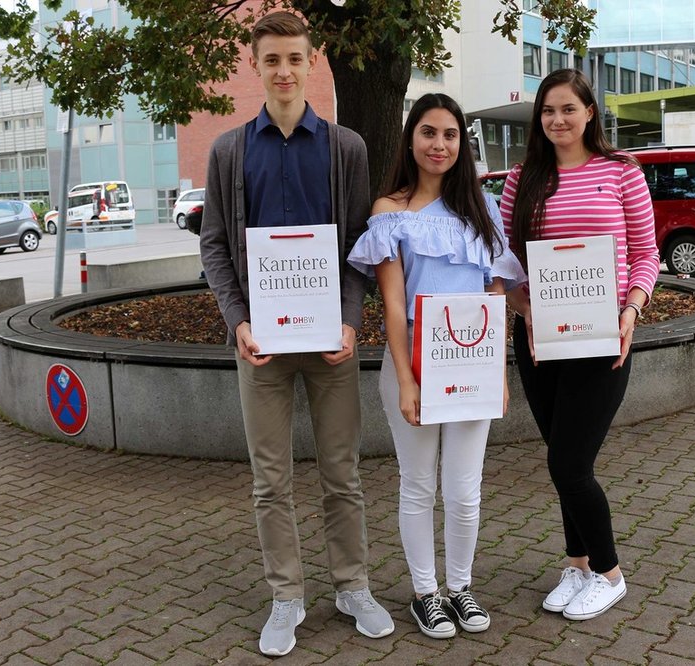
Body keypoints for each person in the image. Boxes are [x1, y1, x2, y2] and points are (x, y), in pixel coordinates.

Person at [198, 11, 393, 657]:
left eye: (294, 59)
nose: (284, 70)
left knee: (343, 475)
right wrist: (238, 321)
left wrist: (349, 316)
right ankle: (287, 597)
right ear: (255, 65)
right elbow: (216, 246)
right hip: (262, 348)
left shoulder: (348, 148)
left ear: (314, 63)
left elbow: (360, 246)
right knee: (269, 481)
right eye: (272, 59)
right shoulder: (228, 150)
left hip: (329, 342)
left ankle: (352, 585)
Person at [347, 94, 525, 639]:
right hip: (414, 369)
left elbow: (495, 296)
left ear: (461, 144)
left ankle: (461, 588)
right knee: (419, 485)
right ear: (411, 140)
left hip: (471, 368)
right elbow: (393, 306)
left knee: (465, 489)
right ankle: (426, 593)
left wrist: (496, 373)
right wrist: (405, 380)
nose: (439, 144)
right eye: (428, 133)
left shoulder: (484, 209)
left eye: (450, 135)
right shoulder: (388, 212)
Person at [500, 69, 660, 621]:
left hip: (602, 339)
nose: (557, 120)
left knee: (571, 464)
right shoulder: (523, 179)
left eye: (568, 109)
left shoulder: (621, 172)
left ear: (590, 112)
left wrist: (632, 309)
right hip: (541, 344)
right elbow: (507, 264)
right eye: (547, 111)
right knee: (558, 458)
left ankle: (610, 574)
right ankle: (578, 563)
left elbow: (646, 253)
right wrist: (523, 307)